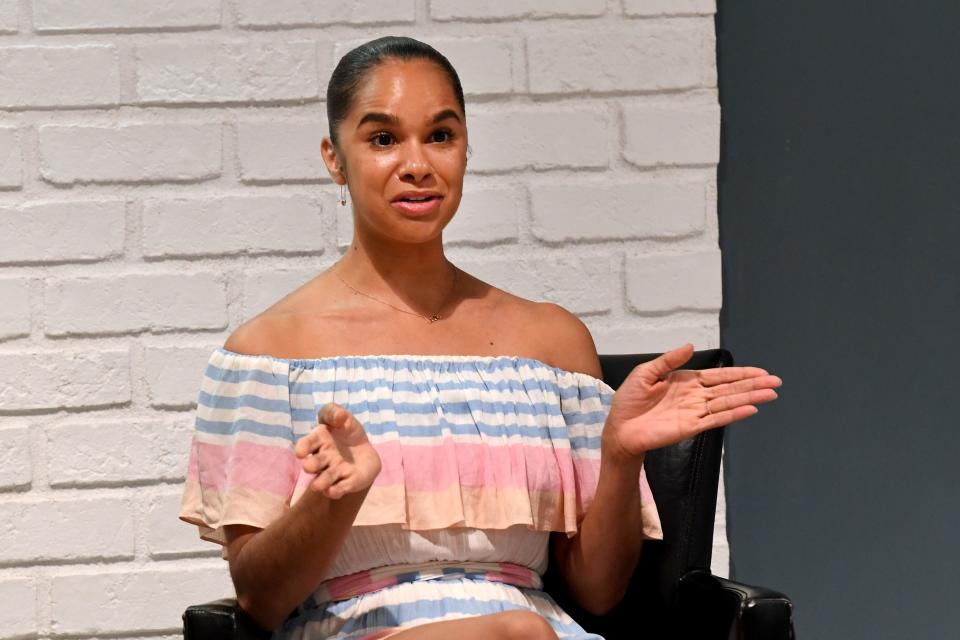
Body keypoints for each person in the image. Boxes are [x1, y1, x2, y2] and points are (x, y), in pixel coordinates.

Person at [178, 36, 782, 640]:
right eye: (383, 138)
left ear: (465, 148)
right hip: (358, 631)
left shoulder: (553, 344)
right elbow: (257, 600)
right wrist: (334, 498)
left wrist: (620, 458)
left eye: (440, 135)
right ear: (335, 159)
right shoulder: (268, 353)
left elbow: (599, 593)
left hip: (541, 632)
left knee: (523, 632)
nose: (418, 164)